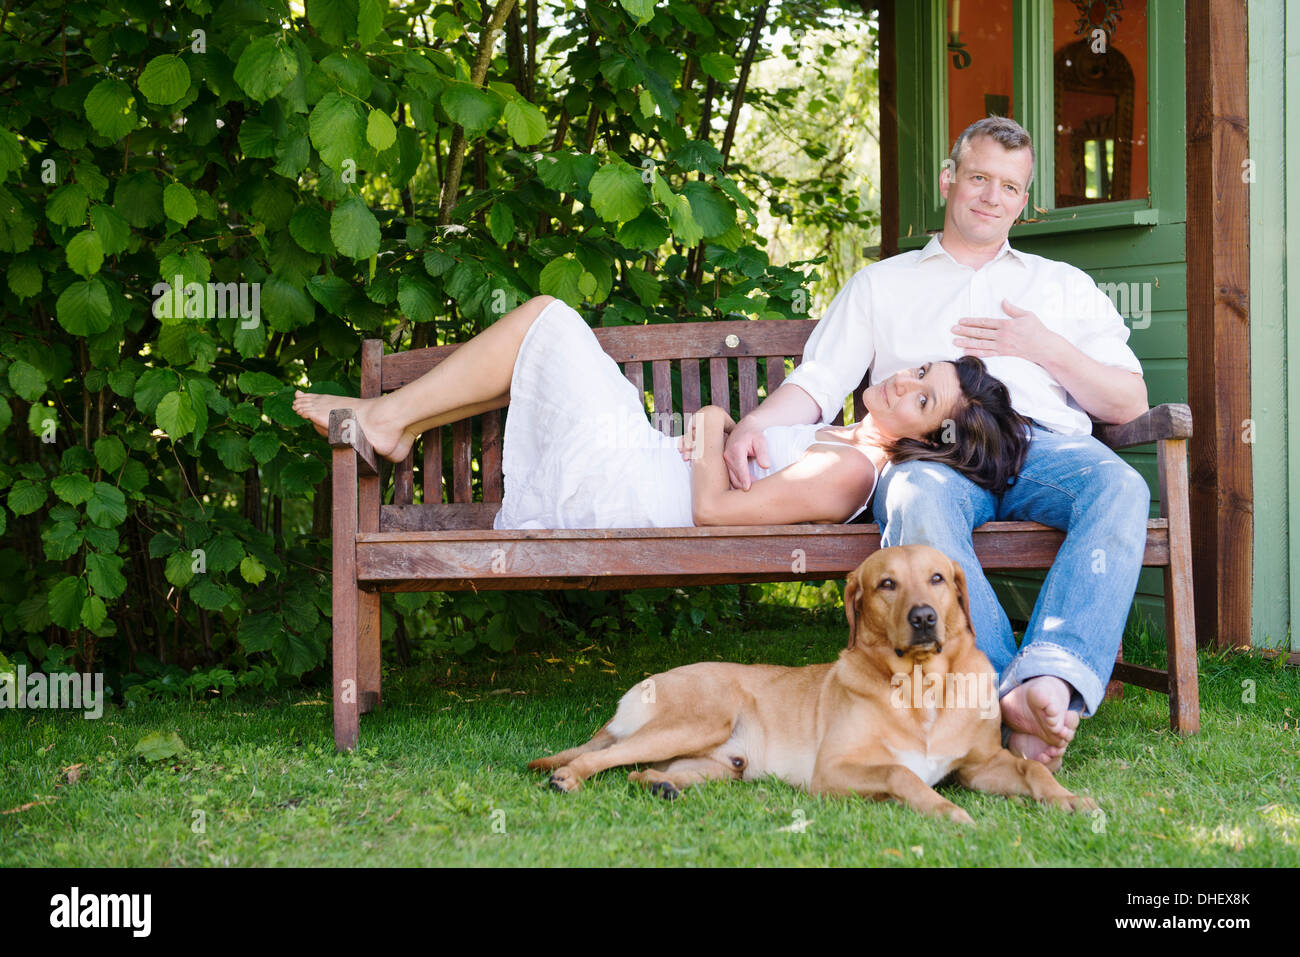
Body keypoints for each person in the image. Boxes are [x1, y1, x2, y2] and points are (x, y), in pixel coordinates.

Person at [722, 115, 1151, 771]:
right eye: (979, 177)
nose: (992, 196)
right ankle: (1001, 691)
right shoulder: (882, 284)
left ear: (1023, 202)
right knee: (917, 500)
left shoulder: (1061, 285)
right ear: (950, 180)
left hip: (1044, 449)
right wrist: (755, 422)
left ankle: (1053, 679)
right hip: (933, 456)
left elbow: (1129, 403)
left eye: (1010, 187)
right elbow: (818, 381)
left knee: (1122, 485)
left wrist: (1044, 347)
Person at [292, 294, 1031, 532]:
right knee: (544, 346)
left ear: (930, 436)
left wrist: (710, 421)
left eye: (923, 397)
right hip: (644, 458)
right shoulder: (849, 437)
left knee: (547, 319)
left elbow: (711, 514)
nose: (903, 381)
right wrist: (704, 439)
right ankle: (400, 422)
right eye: (919, 370)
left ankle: (390, 420)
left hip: (634, 494)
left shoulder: (848, 473)